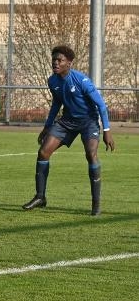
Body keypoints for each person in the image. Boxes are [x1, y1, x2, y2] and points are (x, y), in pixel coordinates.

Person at [22, 45, 115, 215]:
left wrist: (107, 130)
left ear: (69, 63)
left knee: (91, 155)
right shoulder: (52, 81)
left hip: (88, 122)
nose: (55, 63)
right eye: (54, 60)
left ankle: (96, 205)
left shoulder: (82, 80)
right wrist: (47, 126)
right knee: (43, 152)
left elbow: (101, 105)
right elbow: (56, 104)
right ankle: (40, 197)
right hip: (67, 121)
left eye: (60, 60)